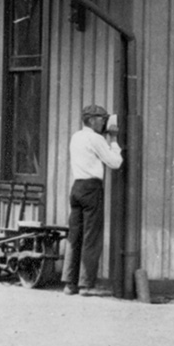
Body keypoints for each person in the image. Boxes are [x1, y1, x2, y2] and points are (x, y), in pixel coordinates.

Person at [62, 104, 122, 296]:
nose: (104, 122)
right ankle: (86, 285)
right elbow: (115, 162)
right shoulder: (96, 139)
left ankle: (69, 284)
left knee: (75, 237)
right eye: (101, 118)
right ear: (92, 120)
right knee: (91, 237)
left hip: (77, 187)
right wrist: (113, 140)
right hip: (91, 188)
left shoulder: (76, 136)